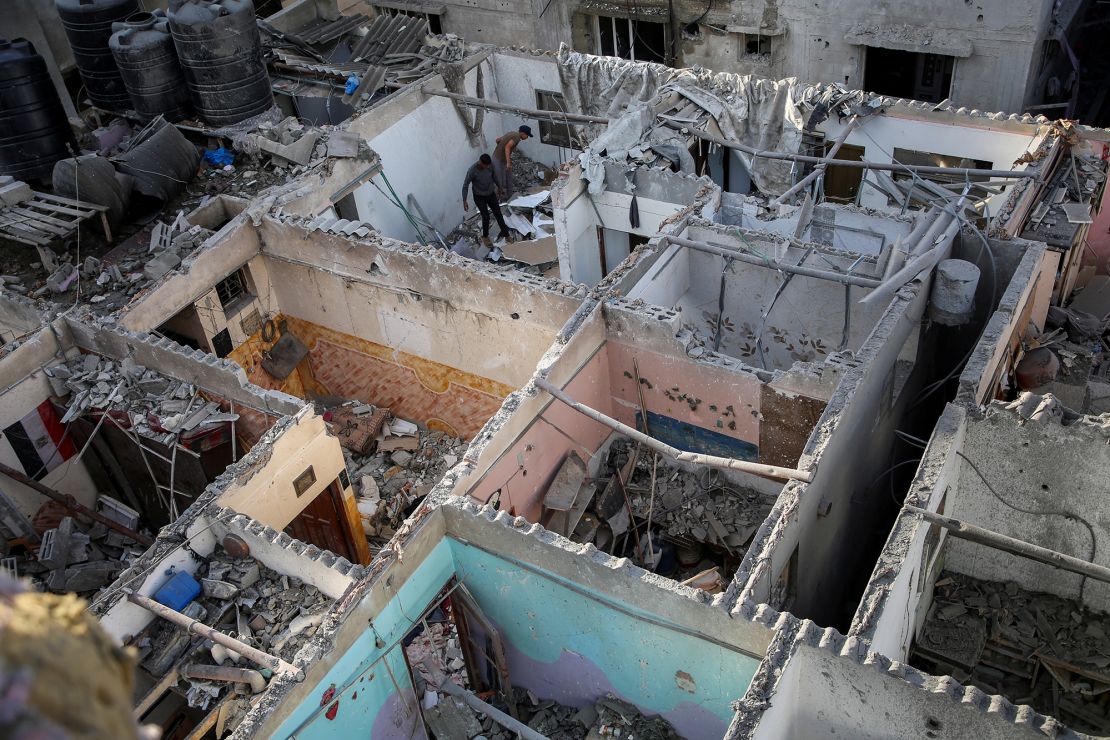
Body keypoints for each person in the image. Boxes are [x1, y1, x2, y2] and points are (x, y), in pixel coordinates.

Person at [462, 154, 510, 245]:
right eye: (486, 165)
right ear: (480, 162)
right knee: (486, 217)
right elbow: (465, 185)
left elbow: (494, 177)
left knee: (498, 214)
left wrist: (500, 188)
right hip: (479, 197)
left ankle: (506, 235)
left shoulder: (489, 166)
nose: (487, 167)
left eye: (488, 165)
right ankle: (485, 236)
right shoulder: (472, 171)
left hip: (490, 194)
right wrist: (464, 200)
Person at [492, 124, 531, 201]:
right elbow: (507, 147)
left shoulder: (511, 133)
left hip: (500, 158)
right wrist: (508, 162)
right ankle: (497, 201)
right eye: (527, 135)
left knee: (508, 177)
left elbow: (497, 140)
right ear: (523, 133)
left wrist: (500, 149)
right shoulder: (517, 137)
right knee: (500, 181)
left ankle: (509, 198)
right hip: (498, 160)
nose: (527, 137)